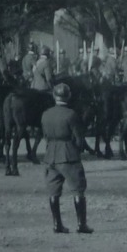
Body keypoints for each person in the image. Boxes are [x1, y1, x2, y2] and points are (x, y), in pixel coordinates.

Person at [41, 82, 92, 234]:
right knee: (78, 190)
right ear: (68, 96)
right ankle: (81, 225)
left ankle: (57, 224)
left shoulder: (46, 114)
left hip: (50, 154)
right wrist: (77, 149)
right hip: (68, 154)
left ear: (54, 95)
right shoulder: (71, 114)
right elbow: (78, 138)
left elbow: (45, 136)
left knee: (53, 191)